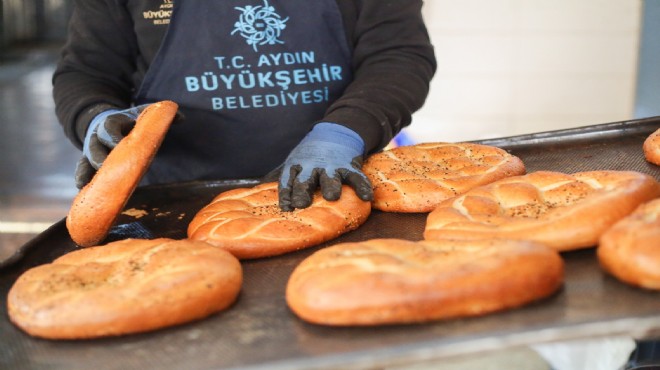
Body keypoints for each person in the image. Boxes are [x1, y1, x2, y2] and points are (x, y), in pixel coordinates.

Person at [53, 0, 436, 211]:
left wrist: (343, 133)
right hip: (171, 206)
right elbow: (86, 72)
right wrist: (94, 117)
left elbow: (398, 56)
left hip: (332, 187)